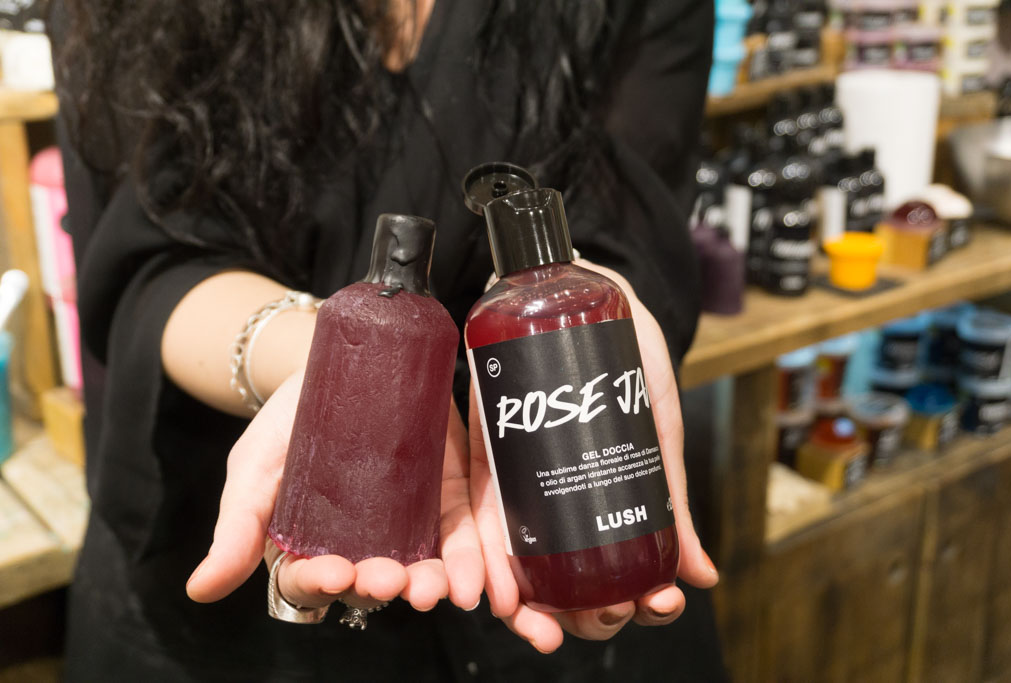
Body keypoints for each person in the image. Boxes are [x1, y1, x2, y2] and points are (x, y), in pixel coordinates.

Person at [51, 0, 727, 680]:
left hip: (572, 535)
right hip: (219, 610)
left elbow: (636, 213)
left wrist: (590, 311)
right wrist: (342, 370)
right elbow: (145, 261)